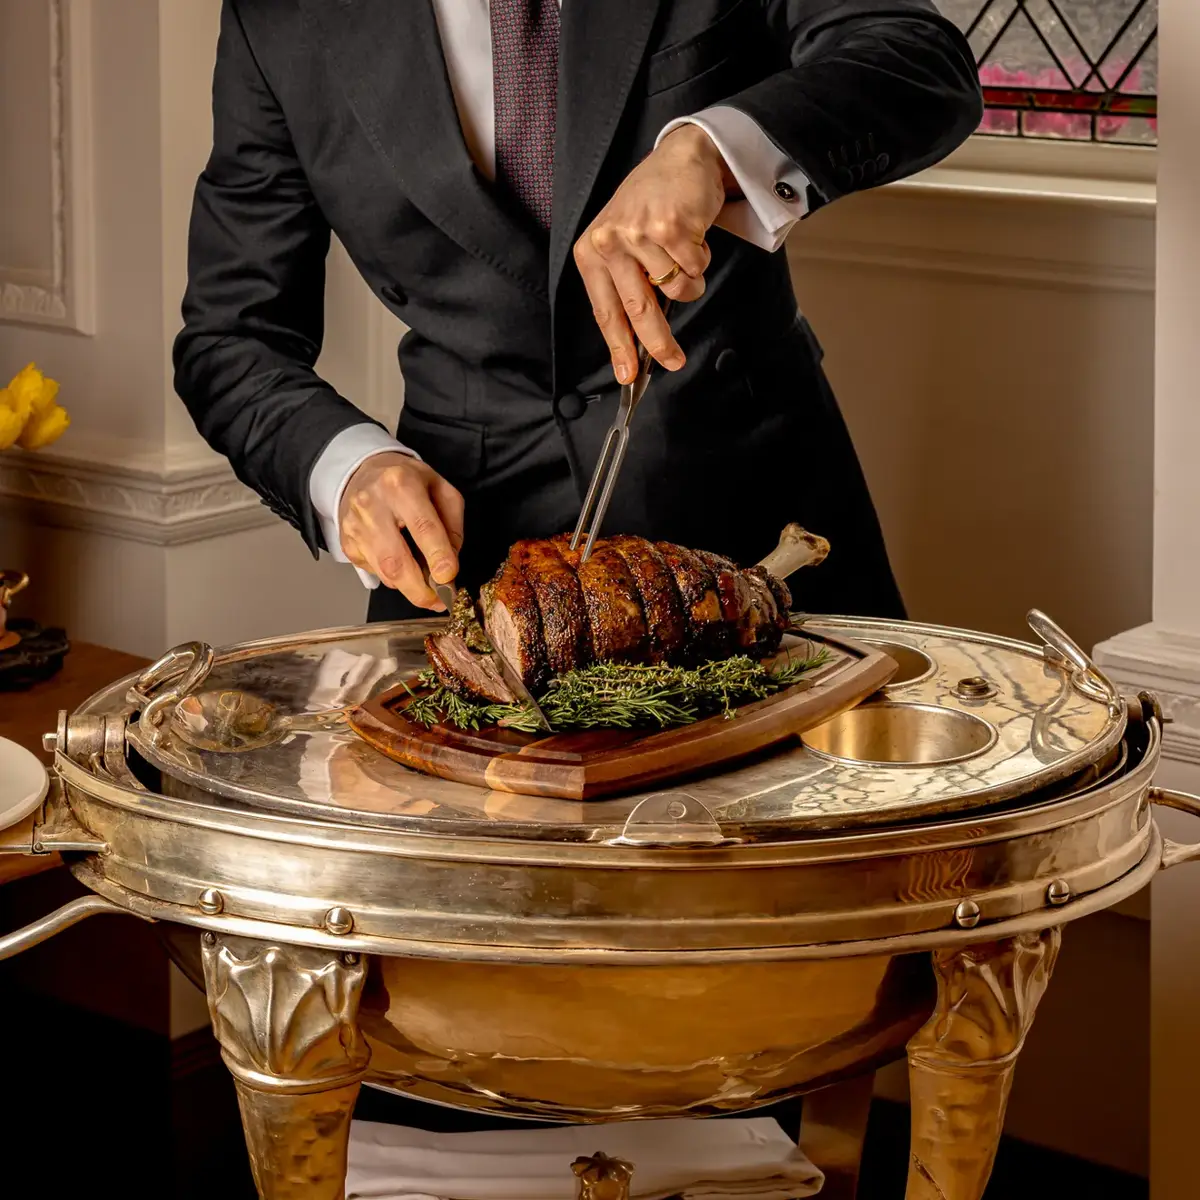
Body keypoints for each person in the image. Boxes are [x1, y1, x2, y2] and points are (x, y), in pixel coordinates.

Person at [175, 0, 981, 1133]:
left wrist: (712, 146)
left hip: (763, 559)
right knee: (455, 1060)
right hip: (477, 596)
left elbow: (922, 59)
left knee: (787, 1044)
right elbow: (229, 338)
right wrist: (347, 470)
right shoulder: (282, 21)